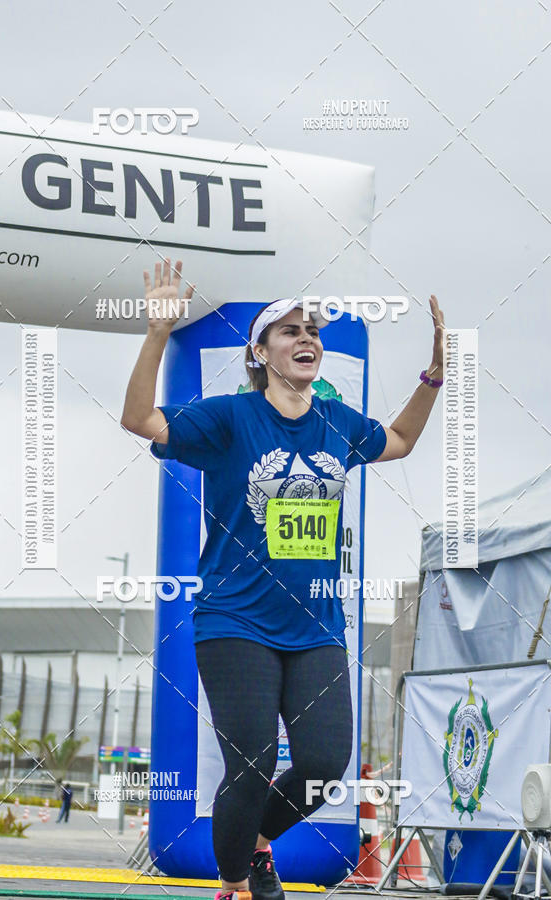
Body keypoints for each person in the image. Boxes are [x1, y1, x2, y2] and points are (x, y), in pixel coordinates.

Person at [121, 259, 445, 900]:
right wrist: (158, 332)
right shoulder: (230, 418)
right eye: (291, 331)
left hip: (316, 624)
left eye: (314, 332)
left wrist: (434, 373)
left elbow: (403, 438)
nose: (307, 340)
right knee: (251, 760)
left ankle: (254, 841)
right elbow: (140, 420)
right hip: (235, 619)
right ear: (261, 352)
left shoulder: (338, 422)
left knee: (326, 766)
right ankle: (238, 880)